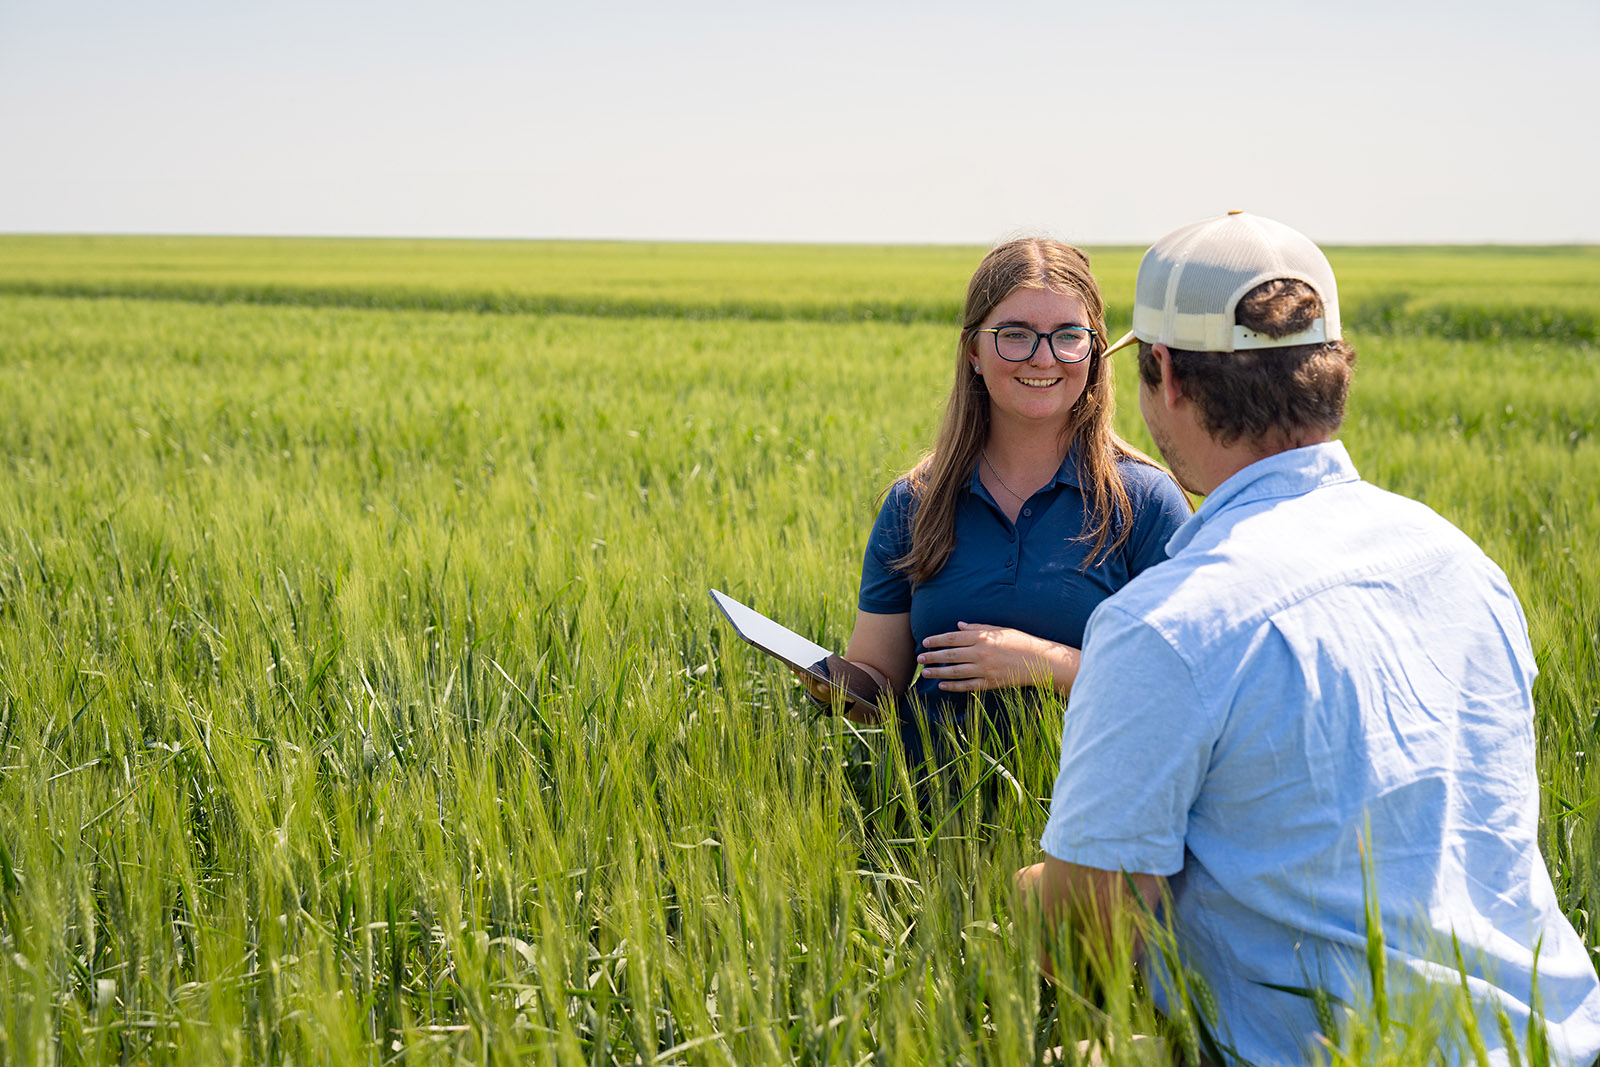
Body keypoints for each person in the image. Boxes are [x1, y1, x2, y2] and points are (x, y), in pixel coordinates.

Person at [1023, 211, 1600, 1064]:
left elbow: (1089, 931)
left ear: (1167, 377)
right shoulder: (1463, 564)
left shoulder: (1168, 625)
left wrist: (1033, 890)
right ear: (1330, 371)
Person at [804, 238, 1190, 772]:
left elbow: (1182, 684)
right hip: (922, 825)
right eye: (1014, 335)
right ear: (973, 352)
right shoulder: (917, 502)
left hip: (1085, 833)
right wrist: (835, 683)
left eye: (1068, 336)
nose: (1043, 357)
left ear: (1095, 351)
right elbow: (879, 676)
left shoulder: (1145, 501)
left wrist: (1043, 663)